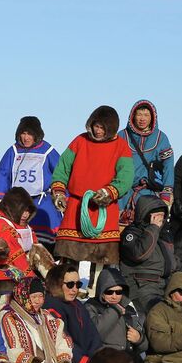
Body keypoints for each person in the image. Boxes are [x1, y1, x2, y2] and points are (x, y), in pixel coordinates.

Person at [50, 105, 133, 282]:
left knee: (102, 256)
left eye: (103, 127)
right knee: (70, 252)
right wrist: (58, 190)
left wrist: (110, 192)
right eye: (96, 125)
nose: (98, 130)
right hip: (77, 205)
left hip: (104, 205)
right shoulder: (79, 141)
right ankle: (67, 287)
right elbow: (62, 168)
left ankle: (97, 290)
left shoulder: (121, 146)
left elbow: (126, 176)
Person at [0, 276, 75, 363]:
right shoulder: (9, 317)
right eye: (33, 297)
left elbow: (62, 343)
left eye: (40, 296)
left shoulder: (46, 317)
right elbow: (12, 350)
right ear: (23, 296)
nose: (38, 301)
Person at [0, 116, 62, 247]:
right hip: (17, 202)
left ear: (36, 135)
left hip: (41, 201)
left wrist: (62, 194)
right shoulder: (13, 151)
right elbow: (2, 173)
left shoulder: (47, 150)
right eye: (23, 133)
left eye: (29, 134)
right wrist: (0, 196)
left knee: (45, 233)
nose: (26, 138)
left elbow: (61, 173)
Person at [118, 197, 177, 312]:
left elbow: (173, 259)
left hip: (164, 283)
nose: (160, 220)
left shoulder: (164, 235)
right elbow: (139, 254)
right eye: (156, 216)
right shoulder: (132, 233)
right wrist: (153, 228)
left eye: (162, 216)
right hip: (141, 283)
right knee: (161, 312)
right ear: (145, 214)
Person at [118, 99, 175, 217]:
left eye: (146, 115)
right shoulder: (122, 136)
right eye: (139, 114)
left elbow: (168, 166)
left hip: (149, 192)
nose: (142, 118)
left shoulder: (161, 138)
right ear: (133, 116)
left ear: (152, 118)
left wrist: (166, 192)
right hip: (123, 193)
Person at [44, 262, 102, 363]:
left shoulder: (76, 304)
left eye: (78, 285)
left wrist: (99, 358)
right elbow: (63, 339)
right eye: (70, 284)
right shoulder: (51, 306)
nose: (75, 289)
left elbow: (93, 335)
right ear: (56, 284)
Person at [85, 267, 146, 354]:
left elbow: (144, 346)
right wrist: (115, 311)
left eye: (118, 292)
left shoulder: (128, 308)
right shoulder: (91, 307)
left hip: (128, 361)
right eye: (109, 292)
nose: (114, 296)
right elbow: (94, 334)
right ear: (101, 291)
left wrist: (139, 339)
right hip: (105, 361)